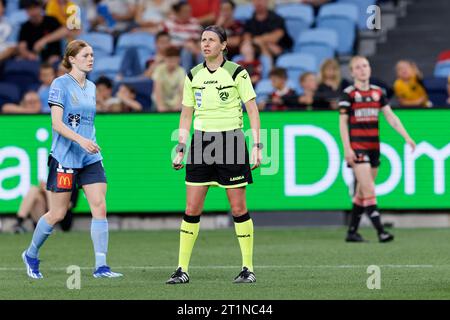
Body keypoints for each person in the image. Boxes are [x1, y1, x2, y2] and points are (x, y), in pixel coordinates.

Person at [167, 25, 262, 284]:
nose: (205, 44)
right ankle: (181, 269)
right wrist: (181, 148)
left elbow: (252, 110)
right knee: (191, 208)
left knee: (238, 208)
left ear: (223, 45)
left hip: (231, 140)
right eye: (202, 40)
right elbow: (186, 115)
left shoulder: (237, 73)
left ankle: (247, 268)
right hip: (200, 143)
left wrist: (256, 145)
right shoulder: (193, 75)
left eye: (211, 40)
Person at [21, 39, 123, 279]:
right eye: (86, 55)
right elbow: (56, 123)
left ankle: (101, 267)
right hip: (66, 157)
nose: (91, 58)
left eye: (92, 55)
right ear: (72, 59)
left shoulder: (92, 87)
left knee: (99, 206)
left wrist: (89, 144)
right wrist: (80, 140)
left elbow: (87, 122)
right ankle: (31, 254)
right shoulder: (59, 84)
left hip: (90, 157)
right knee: (57, 214)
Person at [339, 56, 416, 243]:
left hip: (374, 147)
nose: (362, 70)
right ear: (352, 72)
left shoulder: (378, 92)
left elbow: (391, 117)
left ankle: (352, 232)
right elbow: (342, 123)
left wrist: (406, 137)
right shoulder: (348, 94)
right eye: (358, 67)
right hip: (358, 147)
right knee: (368, 188)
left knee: (361, 191)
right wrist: (347, 148)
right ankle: (381, 231)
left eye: (365, 66)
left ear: (370, 69)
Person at [13, 181, 79, 234]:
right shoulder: (53, 182)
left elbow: (69, 206)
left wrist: (48, 191)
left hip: (63, 219)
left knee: (48, 190)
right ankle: (19, 222)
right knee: (34, 190)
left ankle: (49, 225)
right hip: (44, 214)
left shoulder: (72, 186)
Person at [152, 46, 185, 112]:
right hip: (160, 101)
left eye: (174, 61)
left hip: (175, 102)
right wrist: (160, 106)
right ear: (165, 59)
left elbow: (182, 91)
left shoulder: (181, 71)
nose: (172, 63)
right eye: (169, 61)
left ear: (178, 60)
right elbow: (157, 89)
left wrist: (178, 106)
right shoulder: (159, 69)